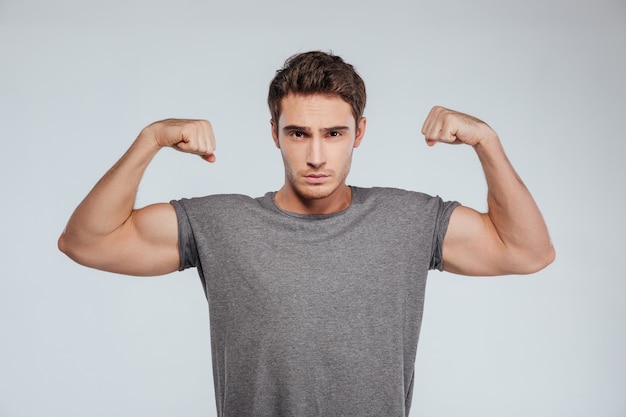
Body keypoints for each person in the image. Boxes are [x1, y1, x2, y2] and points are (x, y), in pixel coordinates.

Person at [58, 51, 555, 416]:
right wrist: (150, 140)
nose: (316, 156)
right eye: (298, 133)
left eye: (333, 134)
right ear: (275, 133)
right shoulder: (220, 223)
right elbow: (87, 241)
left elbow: (527, 251)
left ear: (358, 132)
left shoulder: (408, 219)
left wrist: (486, 142)